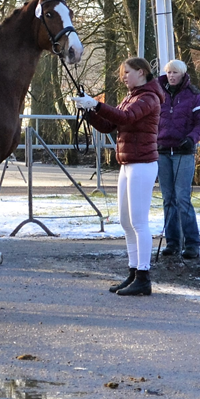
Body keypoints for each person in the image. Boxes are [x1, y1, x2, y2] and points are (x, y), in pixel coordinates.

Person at [72, 57, 164, 296]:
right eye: (123, 72)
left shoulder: (149, 98)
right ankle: (133, 272)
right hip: (128, 164)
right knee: (125, 222)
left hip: (142, 164)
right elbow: (108, 126)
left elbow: (125, 118)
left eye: (127, 72)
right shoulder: (132, 96)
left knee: (139, 222)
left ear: (141, 72)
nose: (123, 76)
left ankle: (143, 276)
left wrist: (97, 104)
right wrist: (89, 111)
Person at [157, 60, 200, 259]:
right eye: (169, 72)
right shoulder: (158, 93)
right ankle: (172, 242)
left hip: (183, 152)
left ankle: (192, 243)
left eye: (175, 72)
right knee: (167, 199)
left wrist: (191, 139)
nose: (171, 76)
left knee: (183, 199)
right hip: (162, 151)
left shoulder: (194, 96)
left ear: (183, 74)